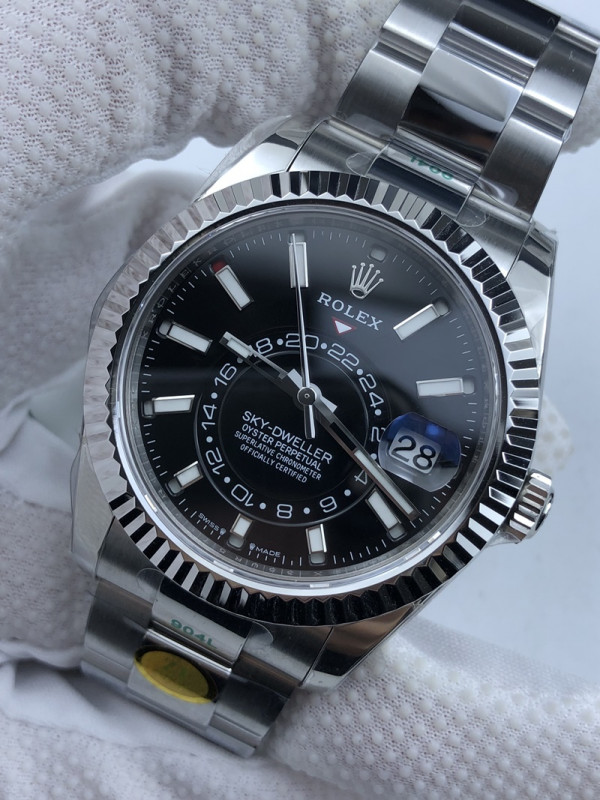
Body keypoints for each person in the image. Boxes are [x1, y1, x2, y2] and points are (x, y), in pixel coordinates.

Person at [1, 1, 599, 797]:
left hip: (288, 560)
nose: (311, 404)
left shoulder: (506, 302)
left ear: (509, 500)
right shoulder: (278, 176)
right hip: (161, 514)